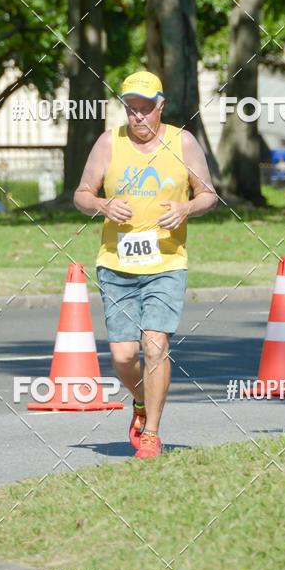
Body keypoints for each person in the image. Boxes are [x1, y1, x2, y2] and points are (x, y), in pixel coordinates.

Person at [73, 71, 218, 458]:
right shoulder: (109, 142)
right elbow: (82, 194)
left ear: (161, 105)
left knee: (155, 346)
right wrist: (102, 204)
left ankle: (151, 433)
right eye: (131, 110)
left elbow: (209, 195)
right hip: (116, 264)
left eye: (145, 109)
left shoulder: (183, 142)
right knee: (123, 357)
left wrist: (187, 207)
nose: (137, 117)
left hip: (167, 261)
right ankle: (141, 402)